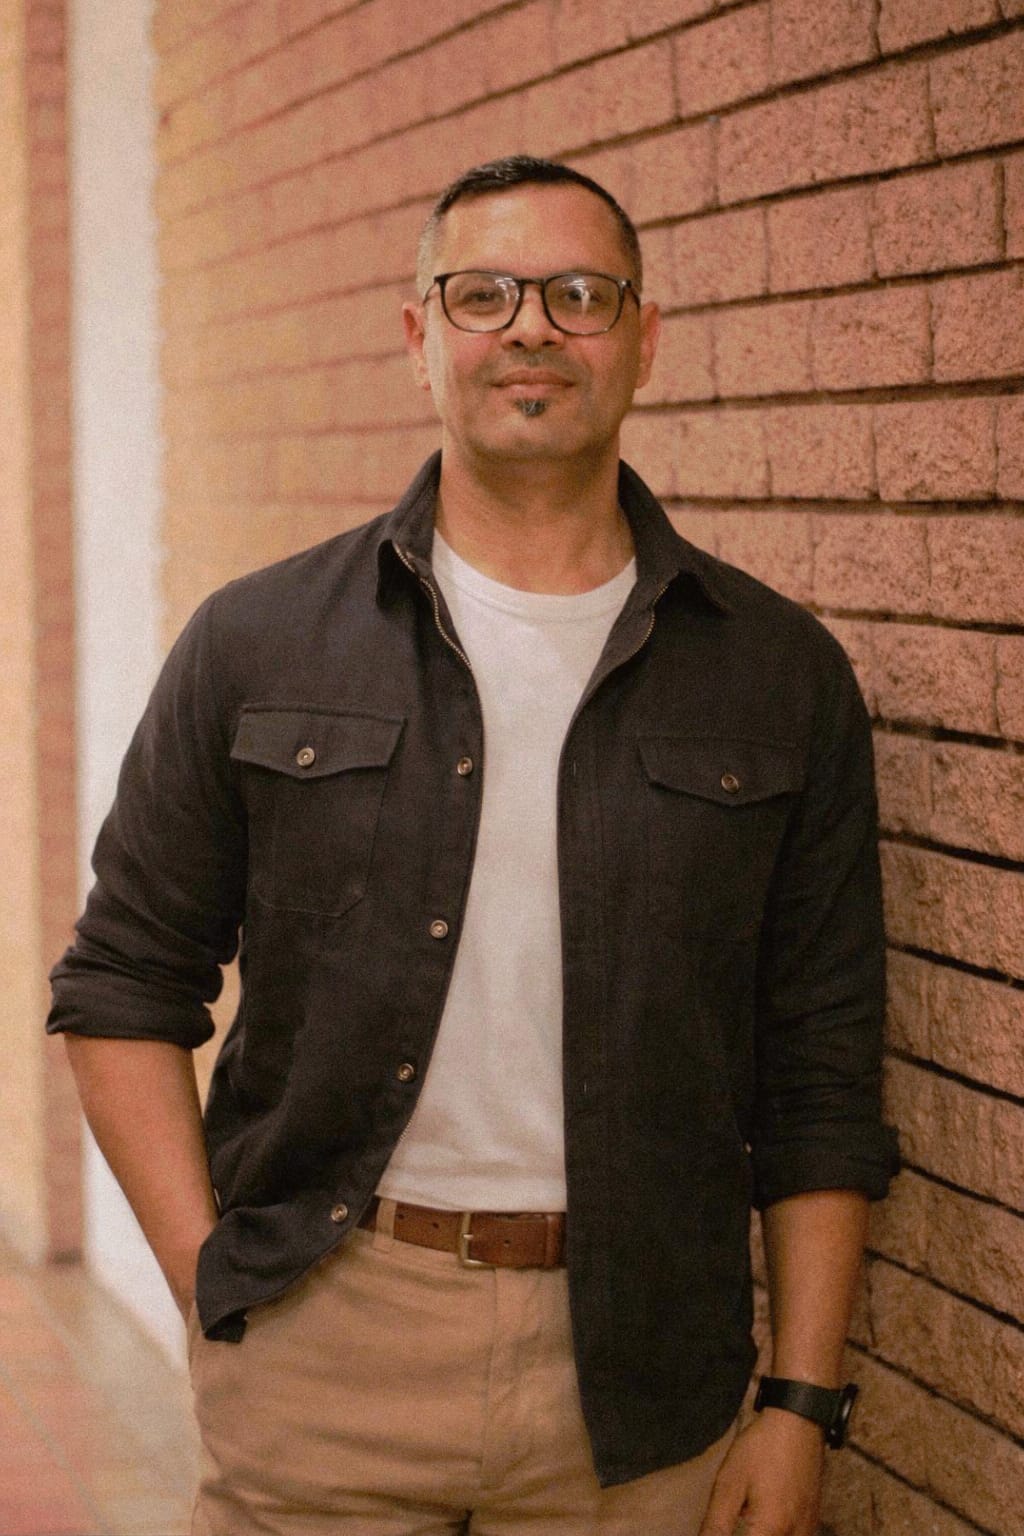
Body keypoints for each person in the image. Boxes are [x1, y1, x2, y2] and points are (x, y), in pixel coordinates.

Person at [49, 156, 898, 1535]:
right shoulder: (259, 640)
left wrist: (801, 1402)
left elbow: (821, 1062)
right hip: (328, 1341)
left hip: (645, 1372)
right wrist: (209, 1286)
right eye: (483, 294)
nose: (532, 330)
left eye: (580, 295)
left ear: (644, 339)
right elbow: (122, 986)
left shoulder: (776, 675)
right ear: (419, 336)